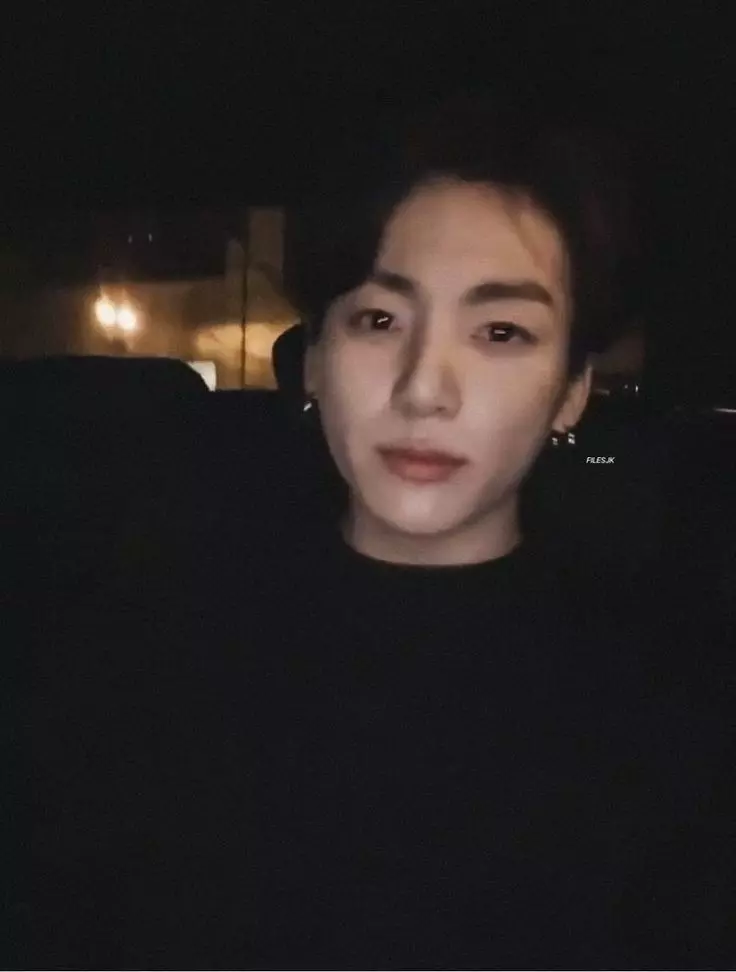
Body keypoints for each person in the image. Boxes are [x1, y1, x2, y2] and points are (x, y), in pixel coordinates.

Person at [13, 97, 734, 969]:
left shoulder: (669, 717)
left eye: (501, 331)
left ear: (571, 391)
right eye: (379, 320)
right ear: (315, 358)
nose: (425, 388)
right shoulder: (140, 651)